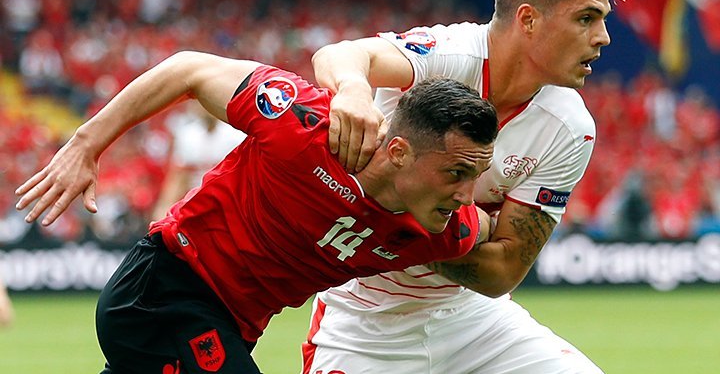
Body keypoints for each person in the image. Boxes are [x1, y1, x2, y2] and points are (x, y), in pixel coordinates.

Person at [14, 50, 498, 374]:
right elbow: (188, 69)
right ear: (398, 152)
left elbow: (495, 234)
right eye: (456, 173)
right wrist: (86, 144)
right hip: (165, 289)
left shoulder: (442, 231)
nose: (465, 194)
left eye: (475, 176)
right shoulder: (304, 126)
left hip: (230, 328)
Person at [304, 0, 613, 373]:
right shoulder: (448, 55)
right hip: (365, 316)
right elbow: (342, 55)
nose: (602, 38)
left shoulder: (570, 127)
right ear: (528, 19)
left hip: (475, 321)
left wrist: (392, 219)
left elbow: (502, 271)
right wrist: (353, 89)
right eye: (586, 18)